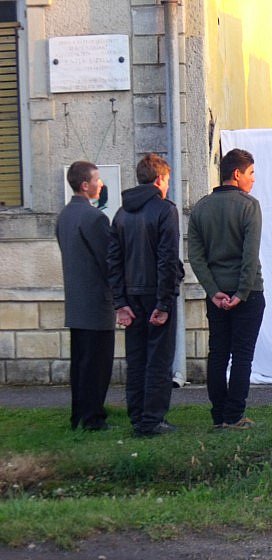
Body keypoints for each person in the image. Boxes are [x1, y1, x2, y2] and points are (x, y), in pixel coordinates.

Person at [188, 148, 265, 430]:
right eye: (251, 173)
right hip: (248, 294)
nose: (253, 179)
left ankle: (219, 414)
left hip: (217, 295)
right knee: (242, 356)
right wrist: (241, 294)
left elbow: (196, 257)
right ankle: (234, 415)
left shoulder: (200, 207)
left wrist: (213, 291)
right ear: (236, 173)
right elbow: (250, 255)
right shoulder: (249, 205)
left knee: (218, 353)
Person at [108, 154, 183, 437]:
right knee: (159, 359)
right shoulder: (165, 210)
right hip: (155, 293)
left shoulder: (121, 213)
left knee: (137, 358)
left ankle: (138, 416)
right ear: (160, 179)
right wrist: (164, 302)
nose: (168, 186)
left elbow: (113, 261)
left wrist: (120, 302)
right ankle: (152, 419)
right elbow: (167, 258)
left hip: (131, 295)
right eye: (167, 180)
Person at [55, 161, 115, 431]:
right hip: (96, 303)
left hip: (76, 302)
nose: (100, 184)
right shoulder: (94, 217)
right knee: (97, 365)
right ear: (84, 185)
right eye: (96, 179)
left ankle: (78, 415)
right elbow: (108, 260)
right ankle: (93, 418)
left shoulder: (64, 216)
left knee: (80, 363)